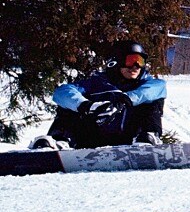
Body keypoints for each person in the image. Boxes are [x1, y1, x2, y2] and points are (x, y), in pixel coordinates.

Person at [30, 41, 167, 150]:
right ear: (115, 62)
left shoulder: (147, 83)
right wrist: (85, 105)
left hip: (129, 139)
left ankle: (148, 137)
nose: (136, 66)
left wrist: (124, 100)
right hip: (93, 138)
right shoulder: (96, 84)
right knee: (69, 104)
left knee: (152, 101)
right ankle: (61, 140)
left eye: (141, 61)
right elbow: (62, 92)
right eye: (131, 60)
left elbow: (157, 88)